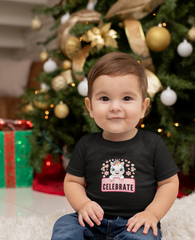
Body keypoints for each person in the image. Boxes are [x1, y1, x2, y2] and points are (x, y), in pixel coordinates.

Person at [51, 52, 179, 240]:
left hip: (135, 223)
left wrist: (152, 213)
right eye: (104, 99)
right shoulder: (86, 144)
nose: (115, 107)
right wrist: (83, 205)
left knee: (144, 236)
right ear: (90, 107)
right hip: (94, 221)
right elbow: (72, 182)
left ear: (143, 107)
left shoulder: (153, 144)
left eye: (127, 98)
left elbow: (169, 183)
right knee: (64, 225)